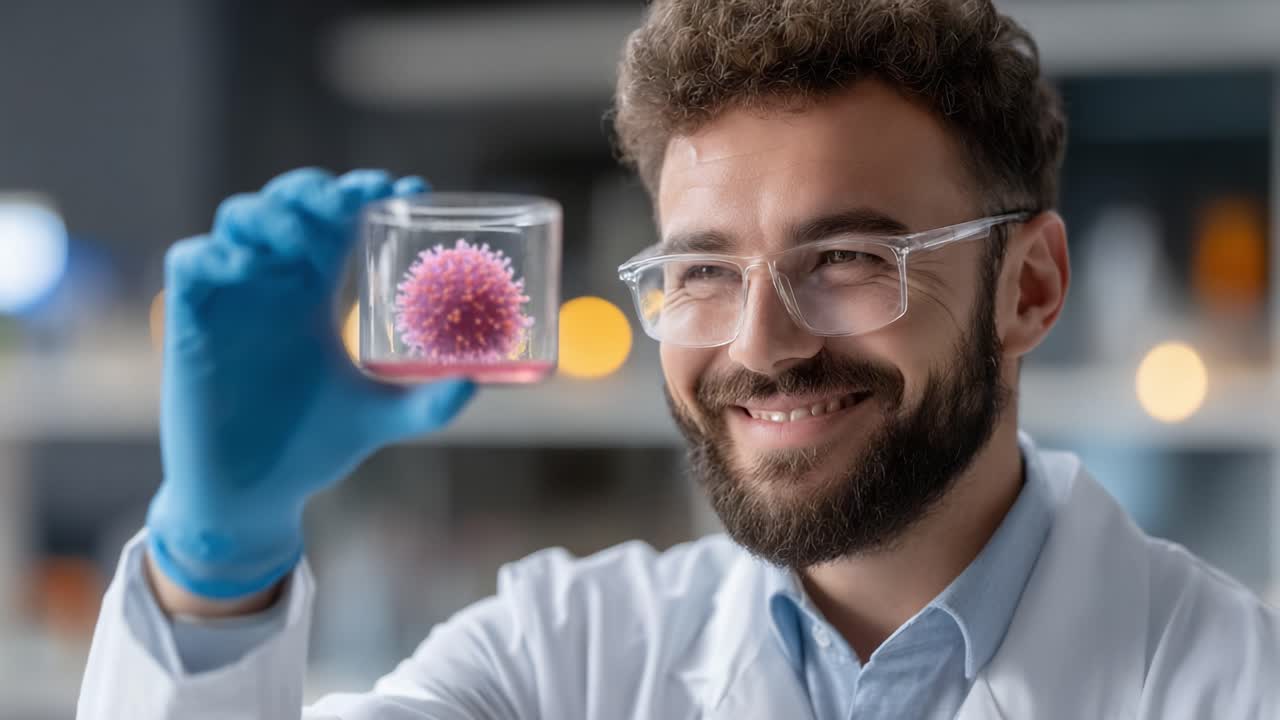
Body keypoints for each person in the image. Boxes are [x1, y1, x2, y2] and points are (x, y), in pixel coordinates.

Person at [77, 1, 1279, 718]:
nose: (758, 345)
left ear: (1029, 287)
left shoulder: (1230, 681)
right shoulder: (559, 658)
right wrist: (214, 568)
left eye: (848, 257)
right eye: (700, 272)